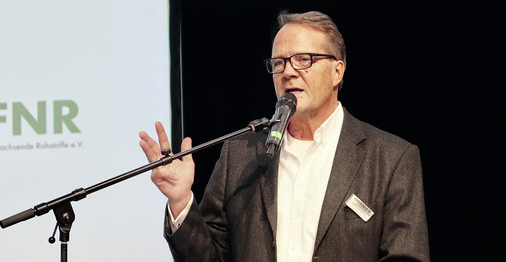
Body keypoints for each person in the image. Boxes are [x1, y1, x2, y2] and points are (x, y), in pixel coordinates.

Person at [139, 10, 430, 262]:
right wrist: (180, 202)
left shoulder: (391, 158)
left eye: (303, 59)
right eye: (279, 63)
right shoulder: (240, 154)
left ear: (337, 71)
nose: (288, 71)